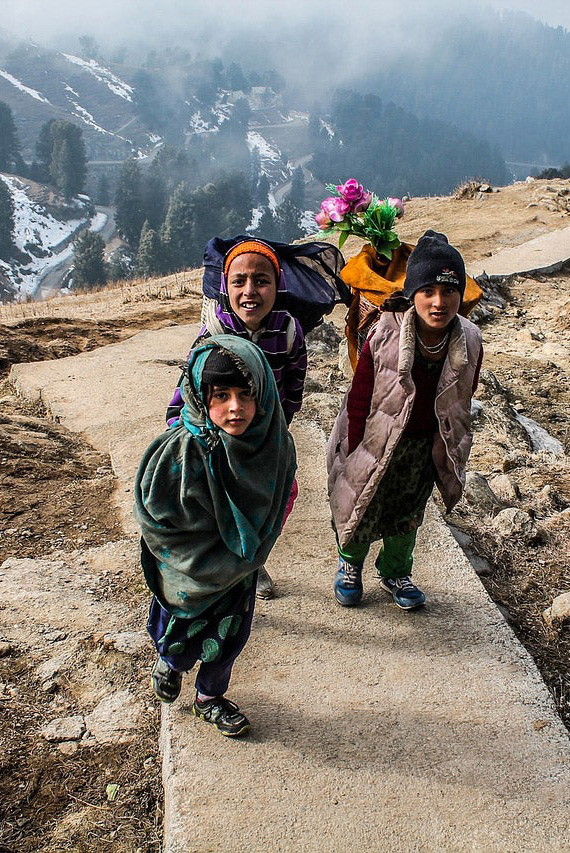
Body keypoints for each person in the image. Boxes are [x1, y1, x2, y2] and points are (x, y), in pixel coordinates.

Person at [138, 335, 297, 737]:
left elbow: (281, 497)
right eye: (221, 395)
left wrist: (252, 543)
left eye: (246, 394)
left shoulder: (273, 447)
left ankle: (209, 698)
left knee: (228, 639)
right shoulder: (182, 451)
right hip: (189, 573)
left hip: (239, 572)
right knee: (178, 631)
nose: (235, 408)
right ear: (198, 396)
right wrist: (198, 551)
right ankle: (169, 664)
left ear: (262, 392)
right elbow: (158, 517)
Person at [326, 230, 483, 610]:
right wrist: (354, 444)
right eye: (428, 291)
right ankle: (350, 565)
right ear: (412, 294)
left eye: (449, 291)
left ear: (461, 295)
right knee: (362, 504)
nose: (439, 302)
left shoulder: (470, 340)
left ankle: (396, 571)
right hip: (376, 439)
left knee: (407, 515)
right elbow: (360, 393)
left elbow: (463, 397)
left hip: (421, 448)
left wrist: (452, 449)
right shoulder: (385, 332)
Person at [165, 239, 307, 599]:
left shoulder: (288, 332)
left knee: (277, 495)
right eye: (238, 281)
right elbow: (190, 387)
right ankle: (217, 568)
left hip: (263, 438)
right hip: (218, 439)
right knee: (221, 503)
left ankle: (252, 559)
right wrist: (178, 430)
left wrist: (276, 430)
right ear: (225, 287)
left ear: (278, 285)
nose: (250, 291)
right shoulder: (214, 332)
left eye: (262, 281)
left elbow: (294, 384)